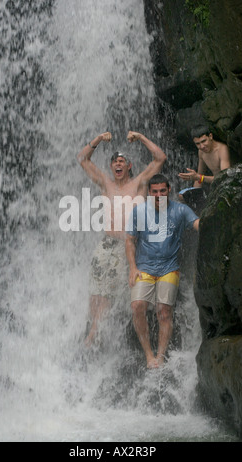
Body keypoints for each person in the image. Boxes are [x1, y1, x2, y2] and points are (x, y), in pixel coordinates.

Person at [77, 131, 167, 347]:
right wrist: (98, 139)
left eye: (122, 161)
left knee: (107, 290)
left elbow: (160, 158)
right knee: (95, 288)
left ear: (129, 165)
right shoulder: (105, 184)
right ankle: (92, 328)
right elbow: (82, 158)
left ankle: (93, 337)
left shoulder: (139, 183)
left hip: (126, 245)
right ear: (111, 167)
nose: (118, 164)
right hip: (105, 244)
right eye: (114, 162)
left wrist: (141, 137)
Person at [126, 174, 199, 369]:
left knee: (164, 311)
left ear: (169, 190)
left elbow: (198, 225)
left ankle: (160, 356)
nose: (159, 195)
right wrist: (132, 267)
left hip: (169, 268)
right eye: (155, 192)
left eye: (163, 191)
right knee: (137, 306)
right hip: (144, 268)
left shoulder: (180, 210)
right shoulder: (139, 211)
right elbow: (129, 241)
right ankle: (148, 355)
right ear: (149, 193)